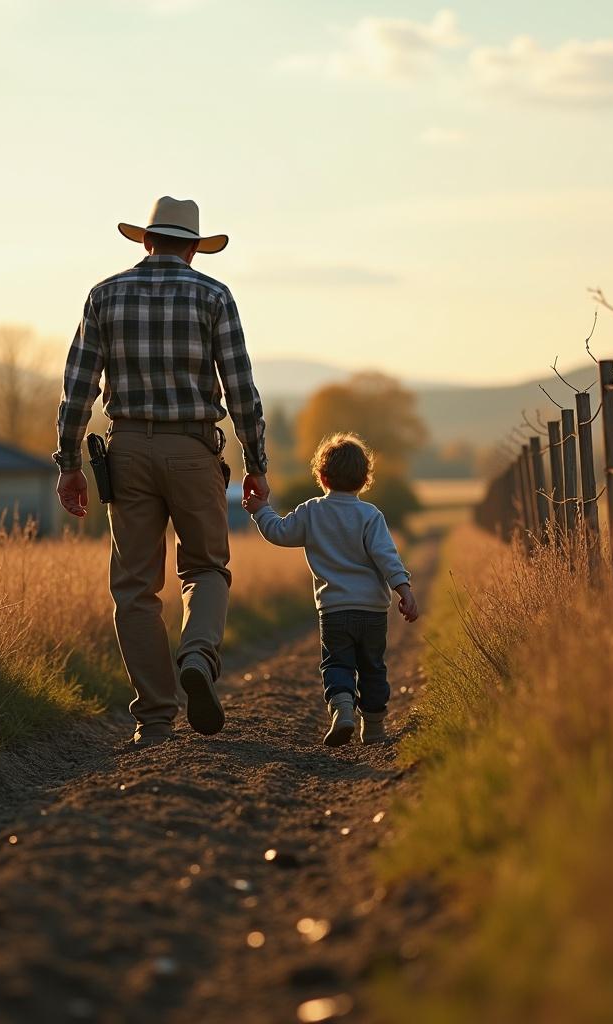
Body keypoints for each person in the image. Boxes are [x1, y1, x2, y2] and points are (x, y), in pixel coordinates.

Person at [54, 196, 268, 747]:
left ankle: (154, 718)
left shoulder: (104, 295)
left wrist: (69, 463)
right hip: (195, 451)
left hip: (125, 453)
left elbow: (78, 387)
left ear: (147, 241)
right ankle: (197, 655)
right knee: (207, 567)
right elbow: (241, 388)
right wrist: (257, 464)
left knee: (134, 587)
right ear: (195, 248)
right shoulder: (214, 296)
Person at [242, 433, 418, 746]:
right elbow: (386, 557)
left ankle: (343, 708)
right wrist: (403, 590)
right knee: (372, 666)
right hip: (373, 611)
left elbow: (279, 532)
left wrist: (260, 510)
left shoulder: (311, 512)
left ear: (322, 477)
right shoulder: (370, 516)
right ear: (365, 479)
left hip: (334, 610)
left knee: (337, 663)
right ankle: (374, 728)